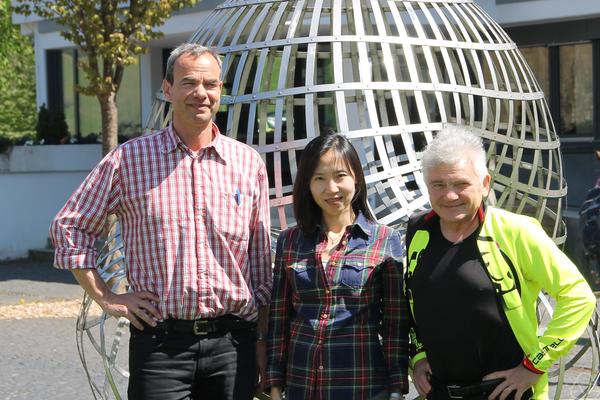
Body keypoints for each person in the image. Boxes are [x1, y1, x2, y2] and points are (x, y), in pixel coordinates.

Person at [49, 43, 272, 400]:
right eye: (188, 83)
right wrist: (107, 297)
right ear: (167, 89)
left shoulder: (248, 163)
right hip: (161, 348)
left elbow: (261, 263)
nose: (201, 93)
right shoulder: (129, 160)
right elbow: (69, 226)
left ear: (220, 91)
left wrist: (262, 341)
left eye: (210, 84)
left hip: (233, 345)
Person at [405, 126, 596, 400]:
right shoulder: (418, 232)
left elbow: (578, 297)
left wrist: (535, 365)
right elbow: (411, 304)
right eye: (438, 185)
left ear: (484, 184)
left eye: (461, 184)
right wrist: (418, 356)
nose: (449, 195)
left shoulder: (516, 232)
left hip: (508, 395)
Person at [265, 133, 408, 400]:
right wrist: (274, 385)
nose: (331, 188)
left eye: (340, 176)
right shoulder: (290, 241)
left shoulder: (385, 240)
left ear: (356, 178)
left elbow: (394, 325)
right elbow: (279, 318)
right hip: (302, 386)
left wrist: (397, 389)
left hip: (361, 386)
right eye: (319, 178)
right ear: (307, 184)